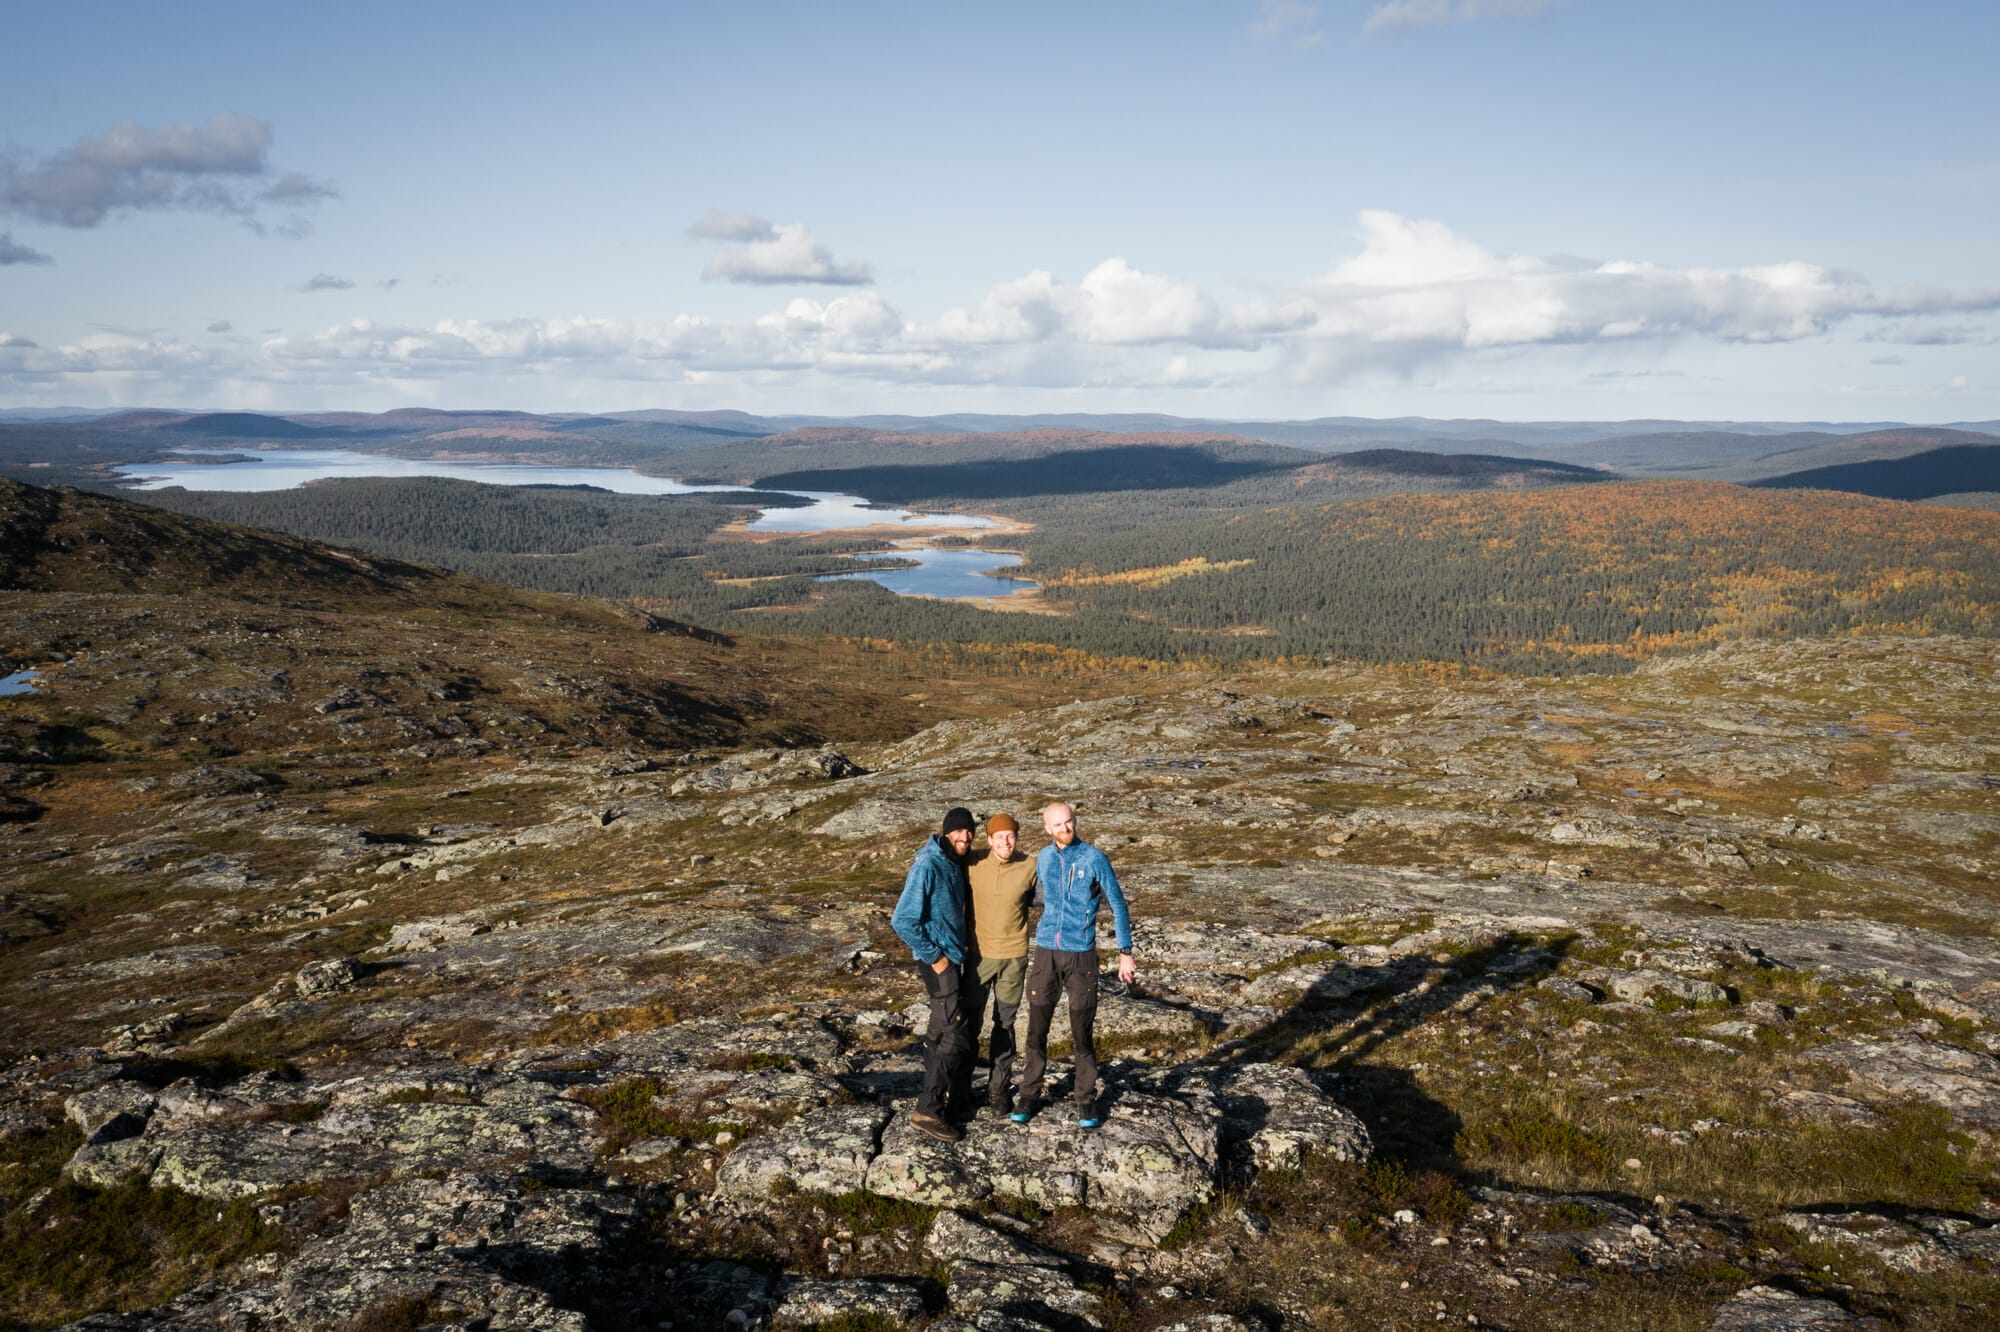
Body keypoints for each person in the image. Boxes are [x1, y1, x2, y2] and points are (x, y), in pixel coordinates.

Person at [1014, 801, 1135, 1130]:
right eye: (1058, 825)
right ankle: (1029, 1093)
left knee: (1082, 1031)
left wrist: (1125, 951)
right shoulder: (1043, 857)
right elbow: (1039, 897)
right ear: (1047, 829)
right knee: (1037, 1029)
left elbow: (1118, 904)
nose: (1065, 829)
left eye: (1069, 822)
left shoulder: (1094, 858)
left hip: (1081, 955)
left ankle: (1085, 1098)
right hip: (1046, 954)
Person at [890, 805, 977, 1142]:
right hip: (939, 962)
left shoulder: (954, 862)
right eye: (958, 831)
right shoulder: (928, 864)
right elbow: (902, 920)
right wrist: (936, 956)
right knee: (953, 1032)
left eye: (969, 831)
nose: (965, 836)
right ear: (945, 832)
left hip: (953, 958)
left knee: (941, 1028)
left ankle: (948, 1101)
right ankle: (929, 1109)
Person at [962, 812, 1038, 1114]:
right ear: (989, 840)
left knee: (1004, 1025)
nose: (1006, 842)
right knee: (969, 1025)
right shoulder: (972, 863)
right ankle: (960, 1087)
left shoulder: (1030, 865)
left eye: (1011, 836)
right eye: (1000, 837)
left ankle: (998, 1090)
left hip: (1014, 959)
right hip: (978, 959)